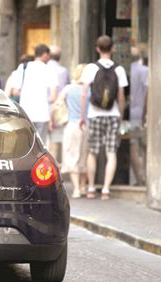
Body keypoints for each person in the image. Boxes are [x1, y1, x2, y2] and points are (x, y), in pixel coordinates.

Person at [79, 35, 128, 200]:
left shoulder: (91, 68)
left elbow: (84, 93)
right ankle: (106, 189)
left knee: (92, 152)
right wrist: (120, 115)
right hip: (112, 114)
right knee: (111, 152)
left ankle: (91, 187)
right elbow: (121, 97)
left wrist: (82, 116)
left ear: (97, 49)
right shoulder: (119, 69)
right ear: (112, 48)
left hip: (94, 114)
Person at [12, 44, 58, 143]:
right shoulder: (50, 70)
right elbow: (53, 97)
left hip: (26, 113)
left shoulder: (23, 67)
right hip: (42, 113)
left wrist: (26, 95)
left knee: (25, 144)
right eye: (48, 56)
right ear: (45, 54)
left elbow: (15, 91)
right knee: (40, 146)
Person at [60, 64, 89, 198]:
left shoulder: (68, 89)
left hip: (72, 124)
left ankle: (76, 188)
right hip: (87, 126)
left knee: (72, 156)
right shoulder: (90, 90)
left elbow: (57, 103)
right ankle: (83, 186)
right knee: (84, 156)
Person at [48, 46, 70, 163]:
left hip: (42, 110)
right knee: (55, 143)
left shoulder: (43, 69)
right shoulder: (64, 71)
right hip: (58, 111)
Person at [129, 47, 148, 186]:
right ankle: (146, 177)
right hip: (142, 112)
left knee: (133, 146)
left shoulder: (126, 70)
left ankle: (139, 179)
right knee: (145, 146)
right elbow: (148, 92)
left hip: (129, 113)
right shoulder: (144, 71)